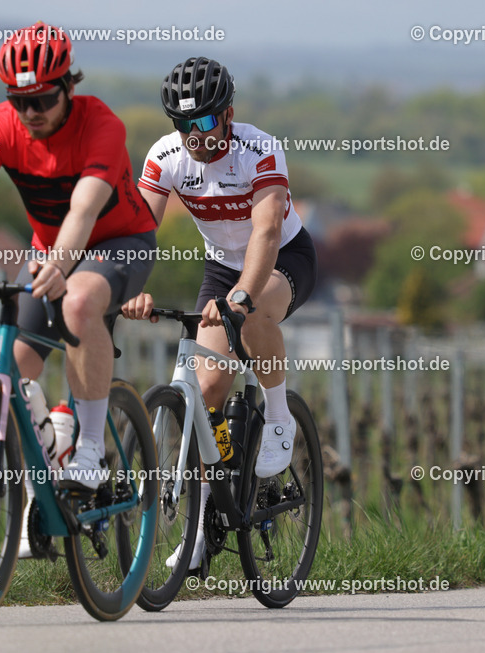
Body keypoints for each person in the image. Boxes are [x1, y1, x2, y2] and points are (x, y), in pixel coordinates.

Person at [0, 23, 157, 500]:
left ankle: (91, 453)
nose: (30, 112)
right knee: (10, 377)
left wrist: (61, 266)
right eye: (20, 101)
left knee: (79, 303)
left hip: (120, 241)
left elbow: (83, 209)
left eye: (42, 99)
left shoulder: (102, 125)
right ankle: (52, 450)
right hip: (49, 251)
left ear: (69, 87)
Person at [122, 57, 317, 569]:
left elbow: (267, 233)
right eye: (184, 125)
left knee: (253, 319)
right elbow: (140, 231)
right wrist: (131, 288)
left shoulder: (260, 150)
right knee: (204, 392)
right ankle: (200, 529)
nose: (195, 136)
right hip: (220, 269)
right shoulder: (166, 157)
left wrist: (243, 296)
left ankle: (278, 419)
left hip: (282, 259)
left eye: (205, 122)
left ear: (228, 115)